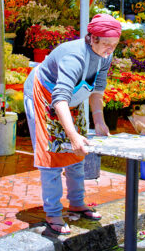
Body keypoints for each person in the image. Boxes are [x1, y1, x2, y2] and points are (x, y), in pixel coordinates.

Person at [23, 14, 121, 235]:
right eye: (106, 44)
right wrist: (73, 135)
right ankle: (53, 213)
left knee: (78, 153)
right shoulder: (74, 56)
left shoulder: (105, 55)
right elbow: (59, 98)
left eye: (114, 45)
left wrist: (99, 121)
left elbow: (97, 90)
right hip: (45, 96)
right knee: (52, 156)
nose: (110, 50)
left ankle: (77, 203)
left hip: (71, 99)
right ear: (92, 38)